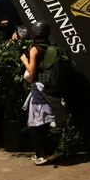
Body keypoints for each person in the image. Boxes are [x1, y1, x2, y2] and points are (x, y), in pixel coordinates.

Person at [21, 24, 62, 165]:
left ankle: (41, 155)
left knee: (35, 126)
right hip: (50, 91)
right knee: (45, 124)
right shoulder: (50, 48)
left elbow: (32, 73)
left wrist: (24, 60)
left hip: (39, 91)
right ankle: (50, 153)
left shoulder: (35, 49)